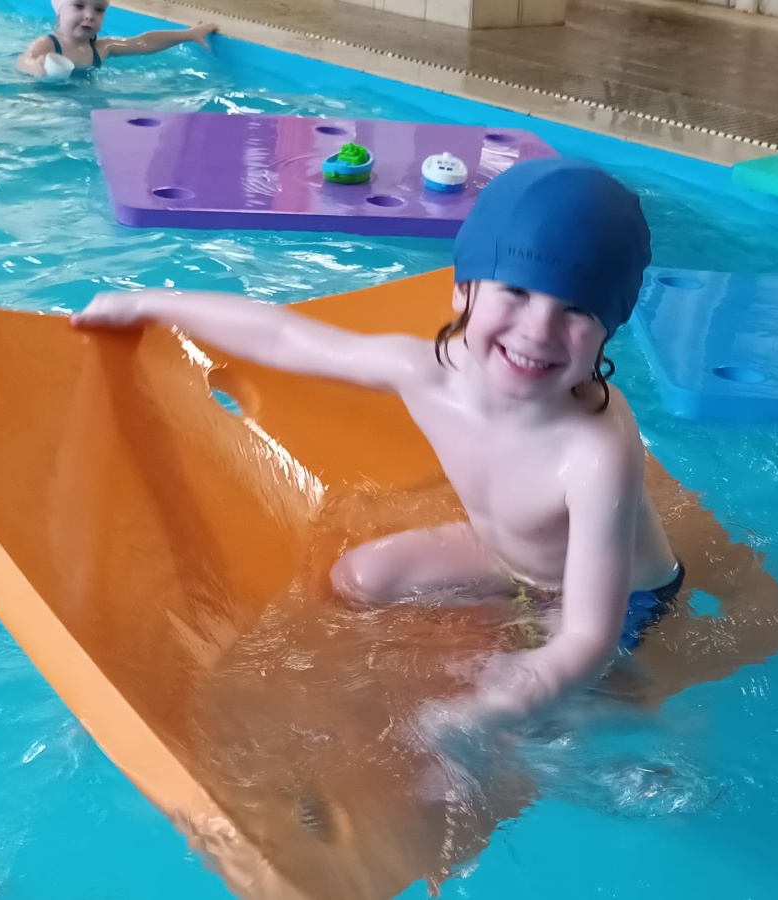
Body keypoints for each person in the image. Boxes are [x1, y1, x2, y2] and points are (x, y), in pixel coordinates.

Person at [71, 158, 681, 734]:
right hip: (510, 561)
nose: (538, 330)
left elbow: (589, 637)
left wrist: (518, 689)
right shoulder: (424, 373)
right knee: (359, 576)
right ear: (463, 289)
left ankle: (626, 735)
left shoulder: (595, 451)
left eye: (576, 310)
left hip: (617, 598)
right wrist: (150, 303)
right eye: (516, 292)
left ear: (609, 329)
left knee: (539, 725)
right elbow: (283, 337)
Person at [16, 0, 218, 78]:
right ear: (60, 11)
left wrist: (189, 34)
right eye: (78, 5)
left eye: (99, 9)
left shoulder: (102, 48)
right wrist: (33, 65)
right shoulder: (48, 44)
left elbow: (144, 43)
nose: (89, 15)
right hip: (46, 104)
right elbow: (23, 60)